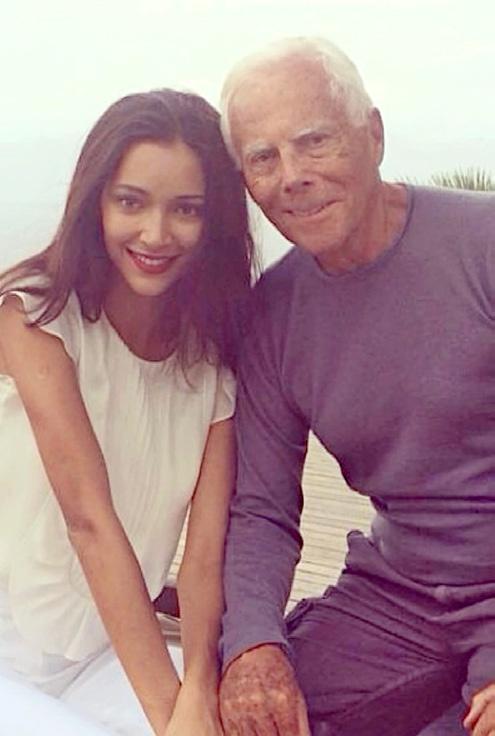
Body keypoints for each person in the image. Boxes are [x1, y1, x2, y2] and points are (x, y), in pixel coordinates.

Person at [217, 36, 495, 736]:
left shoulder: (482, 245)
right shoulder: (274, 313)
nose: (292, 176)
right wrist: (252, 645)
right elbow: (262, 508)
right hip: (395, 596)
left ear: (372, 134)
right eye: (263, 158)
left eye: (314, 141)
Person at [0, 88, 256, 735]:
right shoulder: (35, 317)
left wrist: (198, 686)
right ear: (96, 203)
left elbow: (203, 557)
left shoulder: (212, 363)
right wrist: (170, 716)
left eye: (186, 209)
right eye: (131, 202)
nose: (155, 234)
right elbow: (88, 519)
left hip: (103, 652)